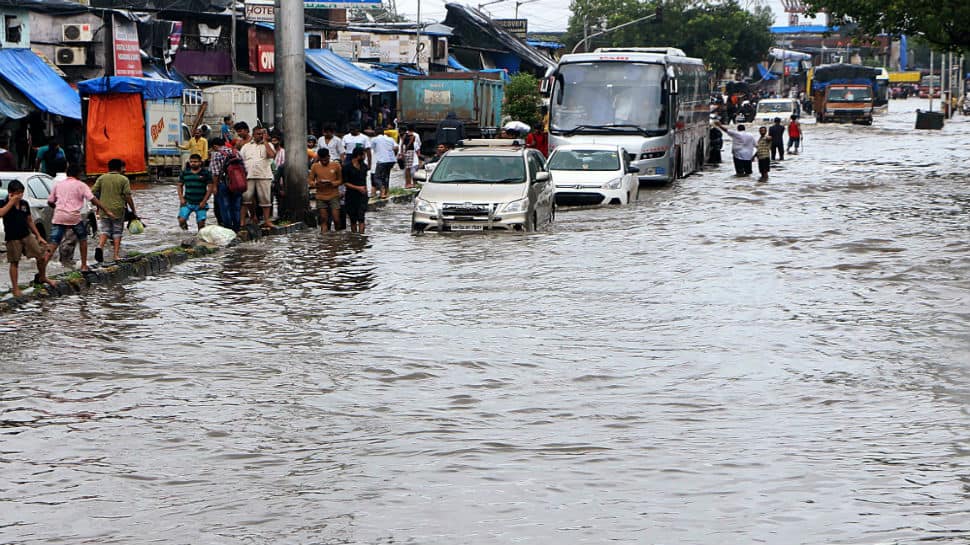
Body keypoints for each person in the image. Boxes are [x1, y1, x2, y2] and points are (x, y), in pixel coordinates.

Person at [47, 164, 115, 272]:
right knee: (83, 238)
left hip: (59, 216)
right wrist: (106, 210)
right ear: (78, 174)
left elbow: (50, 201)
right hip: (74, 217)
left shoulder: (58, 185)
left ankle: (42, 270)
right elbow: (93, 199)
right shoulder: (81, 185)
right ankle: (84, 266)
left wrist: (57, 208)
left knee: (54, 242)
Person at [1, 180, 54, 296]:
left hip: (26, 235)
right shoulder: (3, 203)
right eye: (18, 193)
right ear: (11, 193)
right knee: (14, 262)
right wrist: (11, 202)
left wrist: (38, 236)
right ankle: (15, 288)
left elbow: (29, 220)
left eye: (21, 193)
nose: (20, 195)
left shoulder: (24, 204)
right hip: (12, 237)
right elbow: (1, 213)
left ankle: (43, 277)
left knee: (41, 255)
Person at [91, 158, 136, 263]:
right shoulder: (123, 179)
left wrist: (98, 205)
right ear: (120, 167)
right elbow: (128, 196)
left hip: (104, 209)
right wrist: (133, 209)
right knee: (117, 231)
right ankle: (116, 255)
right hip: (118, 210)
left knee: (105, 230)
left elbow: (93, 192)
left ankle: (100, 246)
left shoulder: (102, 178)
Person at [239, 126, 276, 228]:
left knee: (265, 199)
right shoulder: (246, 146)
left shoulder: (269, 145)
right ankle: (242, 221)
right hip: (248, 175)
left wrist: (265, 142)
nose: (259, 135)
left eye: (261, 134)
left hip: (264, 175)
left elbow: (272, 155)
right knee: (246, 198)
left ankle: (267, 221)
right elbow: (241, 161)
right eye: (258, 134)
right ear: (253, 134)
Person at [209, 138, 245, 232]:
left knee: (225, 207)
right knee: (236, 207)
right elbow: (244, 169)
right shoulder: (236, 152)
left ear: (215, 146)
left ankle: (228, 230)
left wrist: (215, 186)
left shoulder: (216, 155)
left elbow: (215, 173)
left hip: (223, 184)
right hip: (237, 183)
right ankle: (236, 229)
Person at [308, 148, 342, 233]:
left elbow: (341, 180)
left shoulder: (336, 165)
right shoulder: (315, 166)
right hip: (320, 196)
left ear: (329, 157)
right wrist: (316, 184)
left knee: (336, 219)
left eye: (325, 160)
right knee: (323, 219)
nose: (324, 162)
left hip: (333, 195)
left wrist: (332, 183)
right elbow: (310, 180)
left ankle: (338, 237)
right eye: (321, 160)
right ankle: (324, 239)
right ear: (319, 158)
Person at [177, 153, 214, 232]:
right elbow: (179, 186)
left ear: (200, 162)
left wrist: (204, 201)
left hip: (200, 203)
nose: (193, 163)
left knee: (201, 224)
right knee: (181, 220)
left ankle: (199, 238)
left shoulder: (206, 173)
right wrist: (181, 199)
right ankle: (186, 234)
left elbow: (210, 188)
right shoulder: (185, 172)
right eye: (191, 162)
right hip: (187, 202)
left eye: (195, 162)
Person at [342, 147, 368, 233]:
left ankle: (361, 237)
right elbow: (345, 182)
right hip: (351, 196)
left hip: (362, 196)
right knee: (353, 219)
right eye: (363, 155)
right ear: (358, 156)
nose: (365, 157)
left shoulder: (364, 166)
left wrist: (366, 191)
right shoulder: (347, 167)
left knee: (361, 218)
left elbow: (364, 181)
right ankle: (355, 238)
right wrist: (358, 188)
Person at [370, 126, 398, 199]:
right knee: (386, 176)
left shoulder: (374, 139)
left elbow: (371, 148)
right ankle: (386, 192)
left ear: (375, 133)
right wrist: (393, 154)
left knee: (376, 177)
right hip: (391, 160)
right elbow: (396, 147)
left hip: (382, 160)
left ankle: (382, 189)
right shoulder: (390, 139)